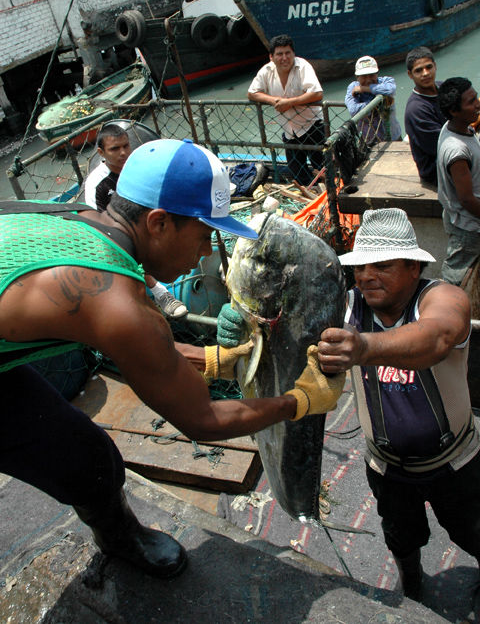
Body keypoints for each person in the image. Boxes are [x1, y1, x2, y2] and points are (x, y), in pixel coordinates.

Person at [0, 138, 345, 579]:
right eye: (204, 235)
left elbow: (128, 338)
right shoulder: (119, 307)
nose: (205, 252)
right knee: (89, 463)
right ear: (159, 223)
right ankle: (122, 540)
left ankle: (114, 532)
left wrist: (212, 358)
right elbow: (203, 422)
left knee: (86, 457)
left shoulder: (87, 224)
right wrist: (299, 401)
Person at [216, 207, 480, 601]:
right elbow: (282, 326)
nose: (366, 277)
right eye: (359, 268)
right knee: (401, 538)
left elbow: (438, 337)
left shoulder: (443, 296)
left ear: (413, 268)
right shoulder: (346, 307)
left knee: (474, 532)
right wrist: (242, 317)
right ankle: (412, 590)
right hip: (386, 467)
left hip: (455, 462)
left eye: (382, 266)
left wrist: (365, 346)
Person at [84, 123, 187, 318]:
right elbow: (96, 224)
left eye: (126, 146)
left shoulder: (135, 167)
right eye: (115, 149)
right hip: (117, 234)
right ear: (101, 152)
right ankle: (160, 293)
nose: (123, 153)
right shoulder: (97, 184)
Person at [247, 34, 326, 188]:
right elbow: (252, 93)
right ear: (271, 57)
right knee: (297, 172)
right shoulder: (266, 71)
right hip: (289, 130)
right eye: (279, 54)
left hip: (312, 125)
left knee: (323, 168)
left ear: (293, 54)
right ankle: (311, 196)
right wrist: (273, 100)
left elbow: (317, 93)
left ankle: (328, 195)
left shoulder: (303, 66)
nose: (284, 58)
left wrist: (290, 103)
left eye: (287, 53)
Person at [437, 77, 480, 285]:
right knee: (456, 278)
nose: (478, 104)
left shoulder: (456, 126)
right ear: (454, 111)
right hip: (469, 226)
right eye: (471, 102)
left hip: (463, 218)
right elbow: (467, 200)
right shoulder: (456, 151)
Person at [404, 46, 446, 187]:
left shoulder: (444, 88)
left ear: (435, 66)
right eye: (418, 70)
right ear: (410, 75)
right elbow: (442, 147)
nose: (425, 73)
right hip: (437, 170)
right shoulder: (417, 109)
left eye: (429, 67)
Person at [345, 55, 402, 145]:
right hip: (368, 142)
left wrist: (365, 88)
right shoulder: (352, 87)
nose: (368, 80)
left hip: (393, 138)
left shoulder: (386, 81)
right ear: (357, 77)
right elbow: (353, 110)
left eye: (372, 75)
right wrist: (376, 103)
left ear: (377, 74)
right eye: (364, 76)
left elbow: (390, 90)